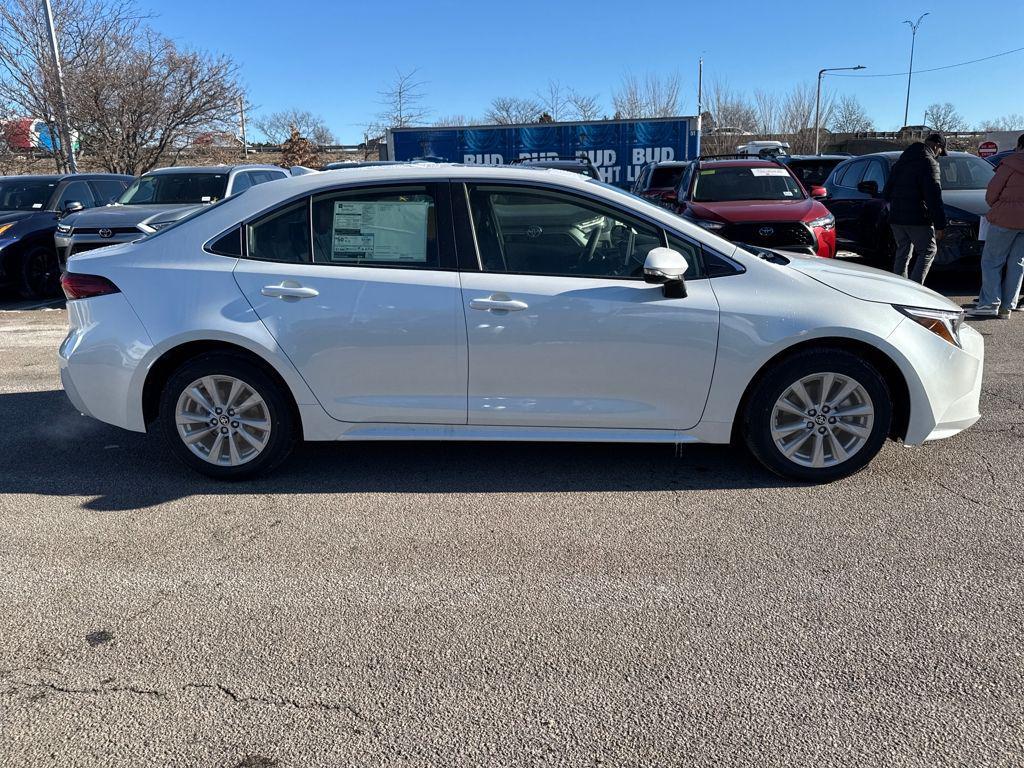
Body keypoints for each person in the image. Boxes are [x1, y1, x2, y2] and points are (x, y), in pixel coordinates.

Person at [968, 133, 1024, 319]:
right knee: (1018, 263)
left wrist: (997, 206)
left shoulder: (1009, 164)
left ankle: (990, 303)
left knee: (992, 261)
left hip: (1005, 218)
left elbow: (992, 192)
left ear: (1019, 146)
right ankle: (1007, 306)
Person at [883, 132, 948, 284]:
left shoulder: (901, 162)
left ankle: (899, 286)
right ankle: (915, 289)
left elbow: (886, 192)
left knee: (903, 251)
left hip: (896, 217)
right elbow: (934, 197)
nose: (939, 155)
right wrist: (940, 224)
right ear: (937, 146)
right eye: (940, 151)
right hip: (917, 218)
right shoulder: (929, 162)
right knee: (928, 250)